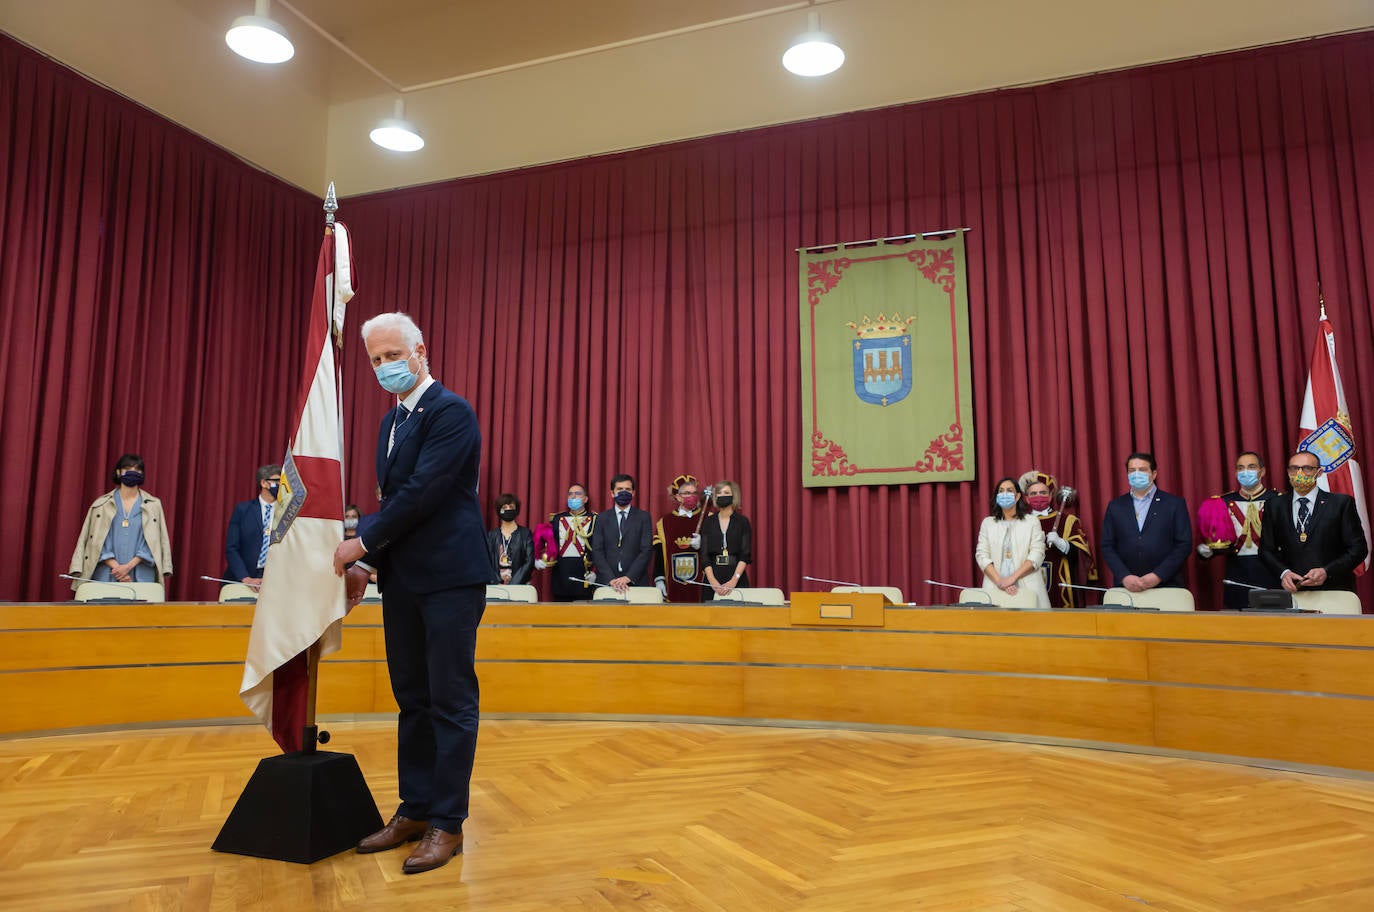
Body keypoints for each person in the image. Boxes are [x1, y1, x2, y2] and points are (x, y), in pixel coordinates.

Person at [332, 312, 486, 875]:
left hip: (449, 580)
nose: (384, 367)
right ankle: (416, 810)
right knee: (413, 701)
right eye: (375, 360)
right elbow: (398, 504)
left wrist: (359, 542)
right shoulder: (389, 422)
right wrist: (369, 563)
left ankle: (448, 822)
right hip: (404, 583)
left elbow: (423, 495)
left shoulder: (451, 412)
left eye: (393, 355)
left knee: (450, 702)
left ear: (421, 350)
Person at [1259, 449, 1368, 593]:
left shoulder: (1340, 503)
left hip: (1334, 591)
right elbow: (1266, 550)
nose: (1300, 473)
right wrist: (1284, 573)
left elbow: (1358, 549)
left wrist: (1326, 571)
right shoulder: (1274, 505)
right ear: (1288, 472)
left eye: (1307, 468)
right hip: (1293, 592)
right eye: (1294, 468)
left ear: (1320, 472)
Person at [68, 453, 174, 593]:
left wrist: (128, 567)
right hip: (105, 574)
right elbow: (93, 540)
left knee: (140, 614)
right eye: (128, 468)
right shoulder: (101, 504)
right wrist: (117, 568)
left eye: (137, 470)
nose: (132, 472)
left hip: (141, 574)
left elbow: (157, 540)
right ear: (118, 472)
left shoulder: (153, 505)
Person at [1197, 451, 1281, 609]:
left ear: (1262, 471)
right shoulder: (1222, 502)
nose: (1245, 471)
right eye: (1241, 468)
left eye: (1251, 467)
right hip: (1237, 574)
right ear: (1235, 472)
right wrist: (1206, 551)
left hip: (1272, 574)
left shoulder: (1279, 500)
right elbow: (1218, 542)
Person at [1100, 451, 1192, 591]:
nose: (1136, 474)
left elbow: (1183, 544)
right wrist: (1124, 576)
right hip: (1127, 586)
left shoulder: (1174, 504)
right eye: (1132, 470)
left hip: (1166, 585)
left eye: (1142, 470)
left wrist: (1158, 575)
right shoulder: (1115, 506)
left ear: (1154, 474)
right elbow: (1107, 545)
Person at [1019, 470, 1096, 609]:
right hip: (1028, 581)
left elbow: (1082, 554)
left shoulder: (1067, 521)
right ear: (1026, 498)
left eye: (1043, 493)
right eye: (1033, 494)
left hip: (1060, 583)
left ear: (1050, 497)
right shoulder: (1020, 522)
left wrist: (1061, 543)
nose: (1038, 496)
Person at [975, 477, 1049, 609]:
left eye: (1009, 490)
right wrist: (1000, 581)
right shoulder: (988, 523)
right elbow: (982, 555)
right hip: (995, 586)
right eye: (1001, 491)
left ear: (1018, 496)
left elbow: (1037, 554)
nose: (1005, 494)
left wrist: (1012, 578)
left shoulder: (1031, 522)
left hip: (1028, 586)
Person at [591, 473, 653, 594]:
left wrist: (628, 577)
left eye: (627, 489)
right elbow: (597, 551)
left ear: (633, 493)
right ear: (612, 493)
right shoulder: (601, 518)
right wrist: (611, 579)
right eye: (619, 489)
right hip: (607, 583)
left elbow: (646, 550)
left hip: (636, 582)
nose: (624, 492)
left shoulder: (643, 517)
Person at [224, 464, 281, 589]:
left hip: (277, 578)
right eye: (277, 481)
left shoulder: (286, 512)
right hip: (245, 577)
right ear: (264, 483)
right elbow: (231, 548)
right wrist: (245, 578)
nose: (281, 485)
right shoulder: (243, 510)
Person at [539, 482, 597, 601]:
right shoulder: (557, 519)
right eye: (570, 494)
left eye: (577, 494)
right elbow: (547, 544)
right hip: (561, 578)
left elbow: (600, 549)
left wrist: (596, 572)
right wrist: (541, 557)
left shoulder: (596, 520)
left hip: (585, 578)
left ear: (585, 499)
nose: (573, 497)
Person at [653, 474, 705, 601]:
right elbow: (659, 554)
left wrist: (704, 544)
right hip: (673, 583)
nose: (692, 496)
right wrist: (659, 578)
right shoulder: (664, 522)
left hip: (702, 584)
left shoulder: (708, 518)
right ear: (677, 496)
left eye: (694, 493)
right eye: (687, 493)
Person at [701, 479, 752, 600]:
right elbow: (704, 556)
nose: (721, 495)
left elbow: (745, 555)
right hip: (713, 576)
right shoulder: (708, 522)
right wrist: (712, 581)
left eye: (726, 492)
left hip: (736, 576)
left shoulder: (742, 522)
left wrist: (734, 580)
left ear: (734, 496)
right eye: (719, 493)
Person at [485, 493, 533, 586]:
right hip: (496, 587)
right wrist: (497, 581)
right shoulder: (491, 535)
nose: (508, 509)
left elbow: (529, 562)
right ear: (499, 511)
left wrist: (514, 584)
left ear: (516, 510)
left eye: (511, 506)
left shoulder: (525, 534)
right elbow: (486, 562)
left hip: (519, 586)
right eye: (504, 507)